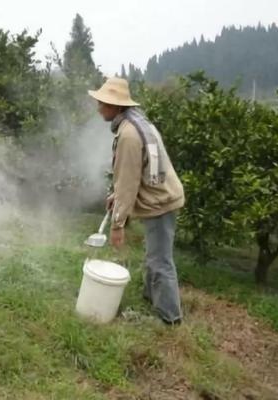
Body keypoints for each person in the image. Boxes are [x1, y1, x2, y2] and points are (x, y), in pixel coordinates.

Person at [88, 77, 185, 325]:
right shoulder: (136, 123)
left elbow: (128, 181)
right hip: (161, 196)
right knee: (155, 255)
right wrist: (116, 196)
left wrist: (118, 224)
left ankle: (169, 318)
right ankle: (151, 298)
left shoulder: (129, 135)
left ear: (116, 106)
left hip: (161, 202)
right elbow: (133, 174)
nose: (99, 108)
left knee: (160, 261)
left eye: (103, 104)